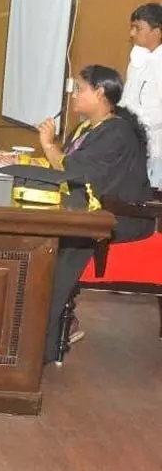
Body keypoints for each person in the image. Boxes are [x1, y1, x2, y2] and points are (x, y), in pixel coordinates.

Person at [32, 65, 154, 363]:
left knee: (59, 245)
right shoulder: (89, 128)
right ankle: (39, 329)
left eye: (80, 89)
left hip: (119, 218)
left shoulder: (117, 132)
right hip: (91, 211)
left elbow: (76, 171)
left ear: (100, 92)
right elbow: (71, 169)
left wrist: (48, 145)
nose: (74, 95)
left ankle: (39, 346)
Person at [122, 3, 162, 188]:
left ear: (157, 32)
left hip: (156, 151)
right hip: (134, 146)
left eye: (138, 28)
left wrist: (136, 123)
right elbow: (127, 100)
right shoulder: (137, 58)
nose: (132, 33)